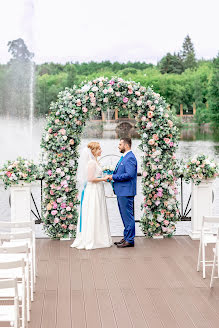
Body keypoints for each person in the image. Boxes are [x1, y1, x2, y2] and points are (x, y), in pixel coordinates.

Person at [70, 142, 112, 250]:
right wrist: (104, 178)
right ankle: (91, 239)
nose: (101, 151)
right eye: (99, 149)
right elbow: (90, 179)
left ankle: (99, 237)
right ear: (93, 151)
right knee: (93, 212)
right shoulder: (91, 163)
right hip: (93, 190)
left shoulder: (95, 162)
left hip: (98, 189)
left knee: (98, 212)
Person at [108, 138, 137, 248]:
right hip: (122, 191)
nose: (118, 146)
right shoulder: (125, 157)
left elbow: (129, 174)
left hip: (126, 191)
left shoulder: (130, 158)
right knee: (124, 216)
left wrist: (113, 177)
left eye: (120, 144)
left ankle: (129, 240)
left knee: (128, 216)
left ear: (126, 145)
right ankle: (126, 237)